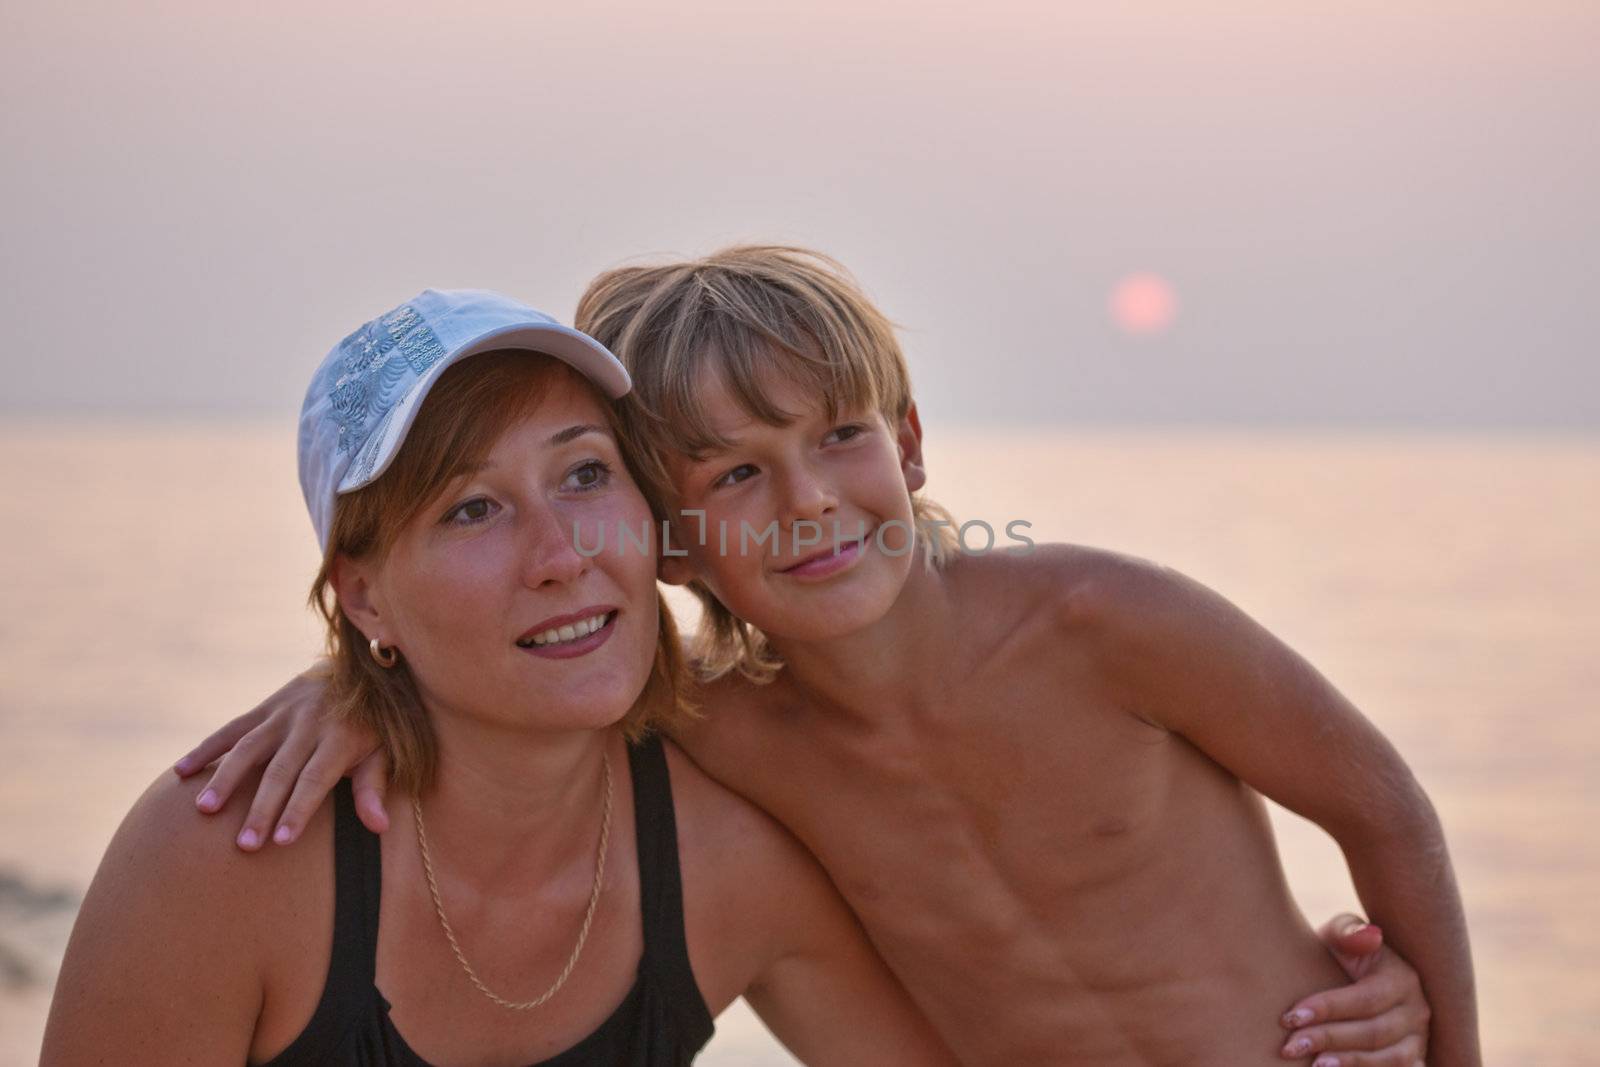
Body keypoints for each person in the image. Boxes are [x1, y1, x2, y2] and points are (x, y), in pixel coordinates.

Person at [180, 252, 1461, 1066]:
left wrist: (1437, 1030)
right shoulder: (707, 731)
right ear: (666, 540)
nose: (804, 500)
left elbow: (1382, 805)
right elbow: (506, 672)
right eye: (733, 471)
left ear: (908, 442)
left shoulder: (1100, 622)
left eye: (838, 435)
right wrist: (352, 680)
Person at [41, 290, 960, 1066]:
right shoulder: (226, 857)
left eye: (586, 473)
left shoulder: (729, 860)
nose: (562, 554)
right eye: (473, 508)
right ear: (364, 598)